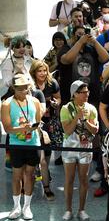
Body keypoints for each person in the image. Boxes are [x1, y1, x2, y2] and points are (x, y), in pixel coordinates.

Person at [1, 74, 42, 220]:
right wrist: (24, 129)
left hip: (33, 143)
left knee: (30, 175)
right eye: (19, 88)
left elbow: (38, 121)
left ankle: (27, 207)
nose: (23, 90)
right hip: (16, 144)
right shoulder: (6, 104)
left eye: (25, 87)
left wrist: (34, 129)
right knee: (16, 175)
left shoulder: (35, 101)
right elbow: (7, 128)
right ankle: (16, 206)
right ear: (14, 88)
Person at [60, 81, 99, 221]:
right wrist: (77, 117)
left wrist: (84, 120)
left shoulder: (92, 109)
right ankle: (68, 210)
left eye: (87, 91)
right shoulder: (66, 108)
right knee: (69, 179)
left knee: (84, 180)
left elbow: (95, 130)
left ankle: (81, 210)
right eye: (83, 92)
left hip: (85, 148)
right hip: (70, 147)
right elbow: (67, 131)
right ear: (74, 94)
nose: (86, 94)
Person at [29, 60, 63, 201]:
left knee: (47, 150)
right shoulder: (30, 86)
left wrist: (56, 103)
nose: (42, 73)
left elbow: (59, 98)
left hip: (50, 122)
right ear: (34, 72)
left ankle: (45, 170)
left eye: (44, 70)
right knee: (39, 155)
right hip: (35, 123)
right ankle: (45, 183)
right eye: (39, 71)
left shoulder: (52, 83)